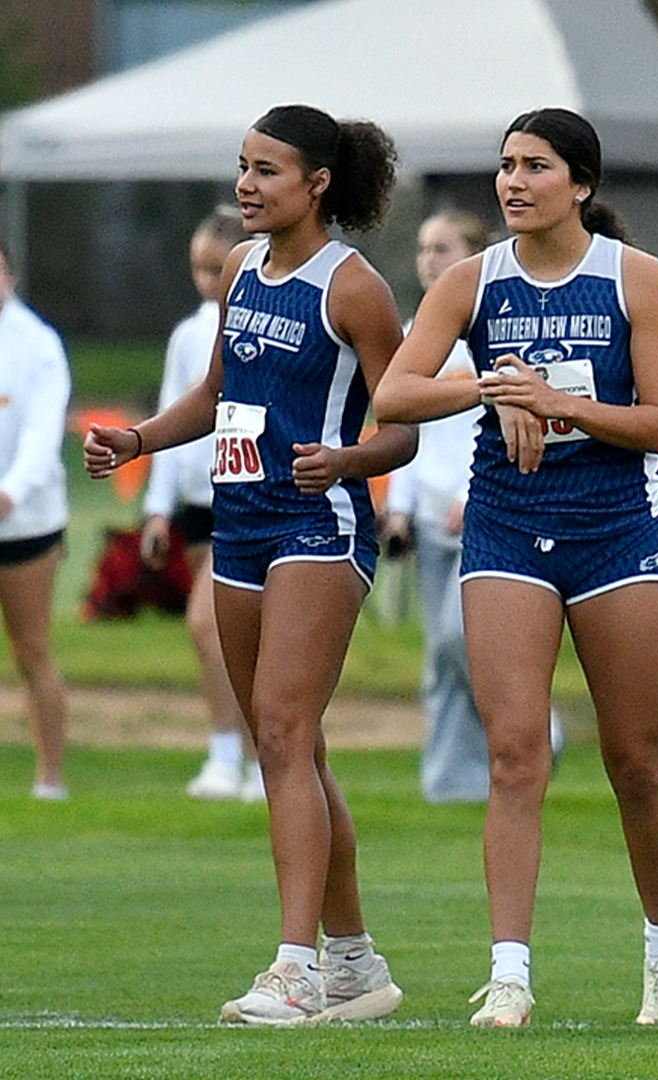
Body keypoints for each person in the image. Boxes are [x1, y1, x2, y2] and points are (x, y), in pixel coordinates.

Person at [84, 103, 414, 1024]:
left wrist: (346, 460)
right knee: (294, 746)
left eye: (267, 170)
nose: (246, 184)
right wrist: (138, 440)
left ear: (318, 183)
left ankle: (295, 970)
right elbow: (217, 393)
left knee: (279, 728)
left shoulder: (354, 290)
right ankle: (355, 963)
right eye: (243, 166)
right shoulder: (238, 268)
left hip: (320, 527)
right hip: (239, 527)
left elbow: (401, 430)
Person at [373, 107, 658, 1030]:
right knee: (514, 754)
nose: (513, 181)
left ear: (581, 185)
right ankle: (509, 973)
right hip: (508, 527)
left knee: (636, 759)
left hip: (617, 531)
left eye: (535, 166)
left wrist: (560, 403)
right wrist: (490, 385)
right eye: (506, 165)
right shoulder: (472, 282)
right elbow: (394, 391)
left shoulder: (637, 278)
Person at [382, 209, 564, 805]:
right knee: (440, 654)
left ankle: (538, 730)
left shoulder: (492, 329)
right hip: (429, 519)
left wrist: (472, 495)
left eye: (442, 248)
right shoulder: (417, 334)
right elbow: (405, 429)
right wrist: (400, 508)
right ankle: (449, 779)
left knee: (463, 639)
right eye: (422, 249)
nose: (428, 260)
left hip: (481, 511)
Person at [146, 206, 261, 802]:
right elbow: (172, 415)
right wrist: (157, 509)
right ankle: (235, 755)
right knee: (225, 638)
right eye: (199, 268)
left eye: (218, 269)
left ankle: (244, 755)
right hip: (197, 502)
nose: (207, 281)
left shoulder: (259, 329)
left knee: (208, 623)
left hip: (243, 497)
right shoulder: (188, 336)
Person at [0, 239, 71, 801]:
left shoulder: (38, 345)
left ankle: (50, 777)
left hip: (27, 523)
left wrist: (11, 492)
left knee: (30, 649)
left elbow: (43, 434)